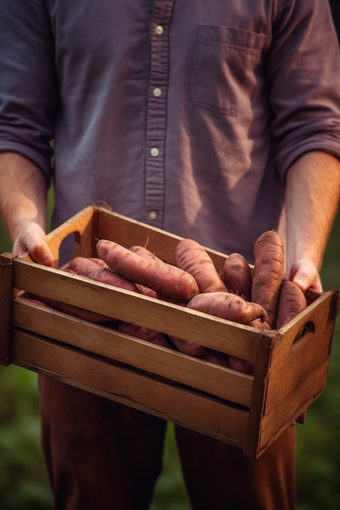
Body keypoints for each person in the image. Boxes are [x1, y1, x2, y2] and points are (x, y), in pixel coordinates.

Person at [1, 1, 340, 509]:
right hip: (84, 308)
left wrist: (303, 261)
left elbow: (315, 128)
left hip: (244, 336)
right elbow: (15, 127)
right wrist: (27, 222)